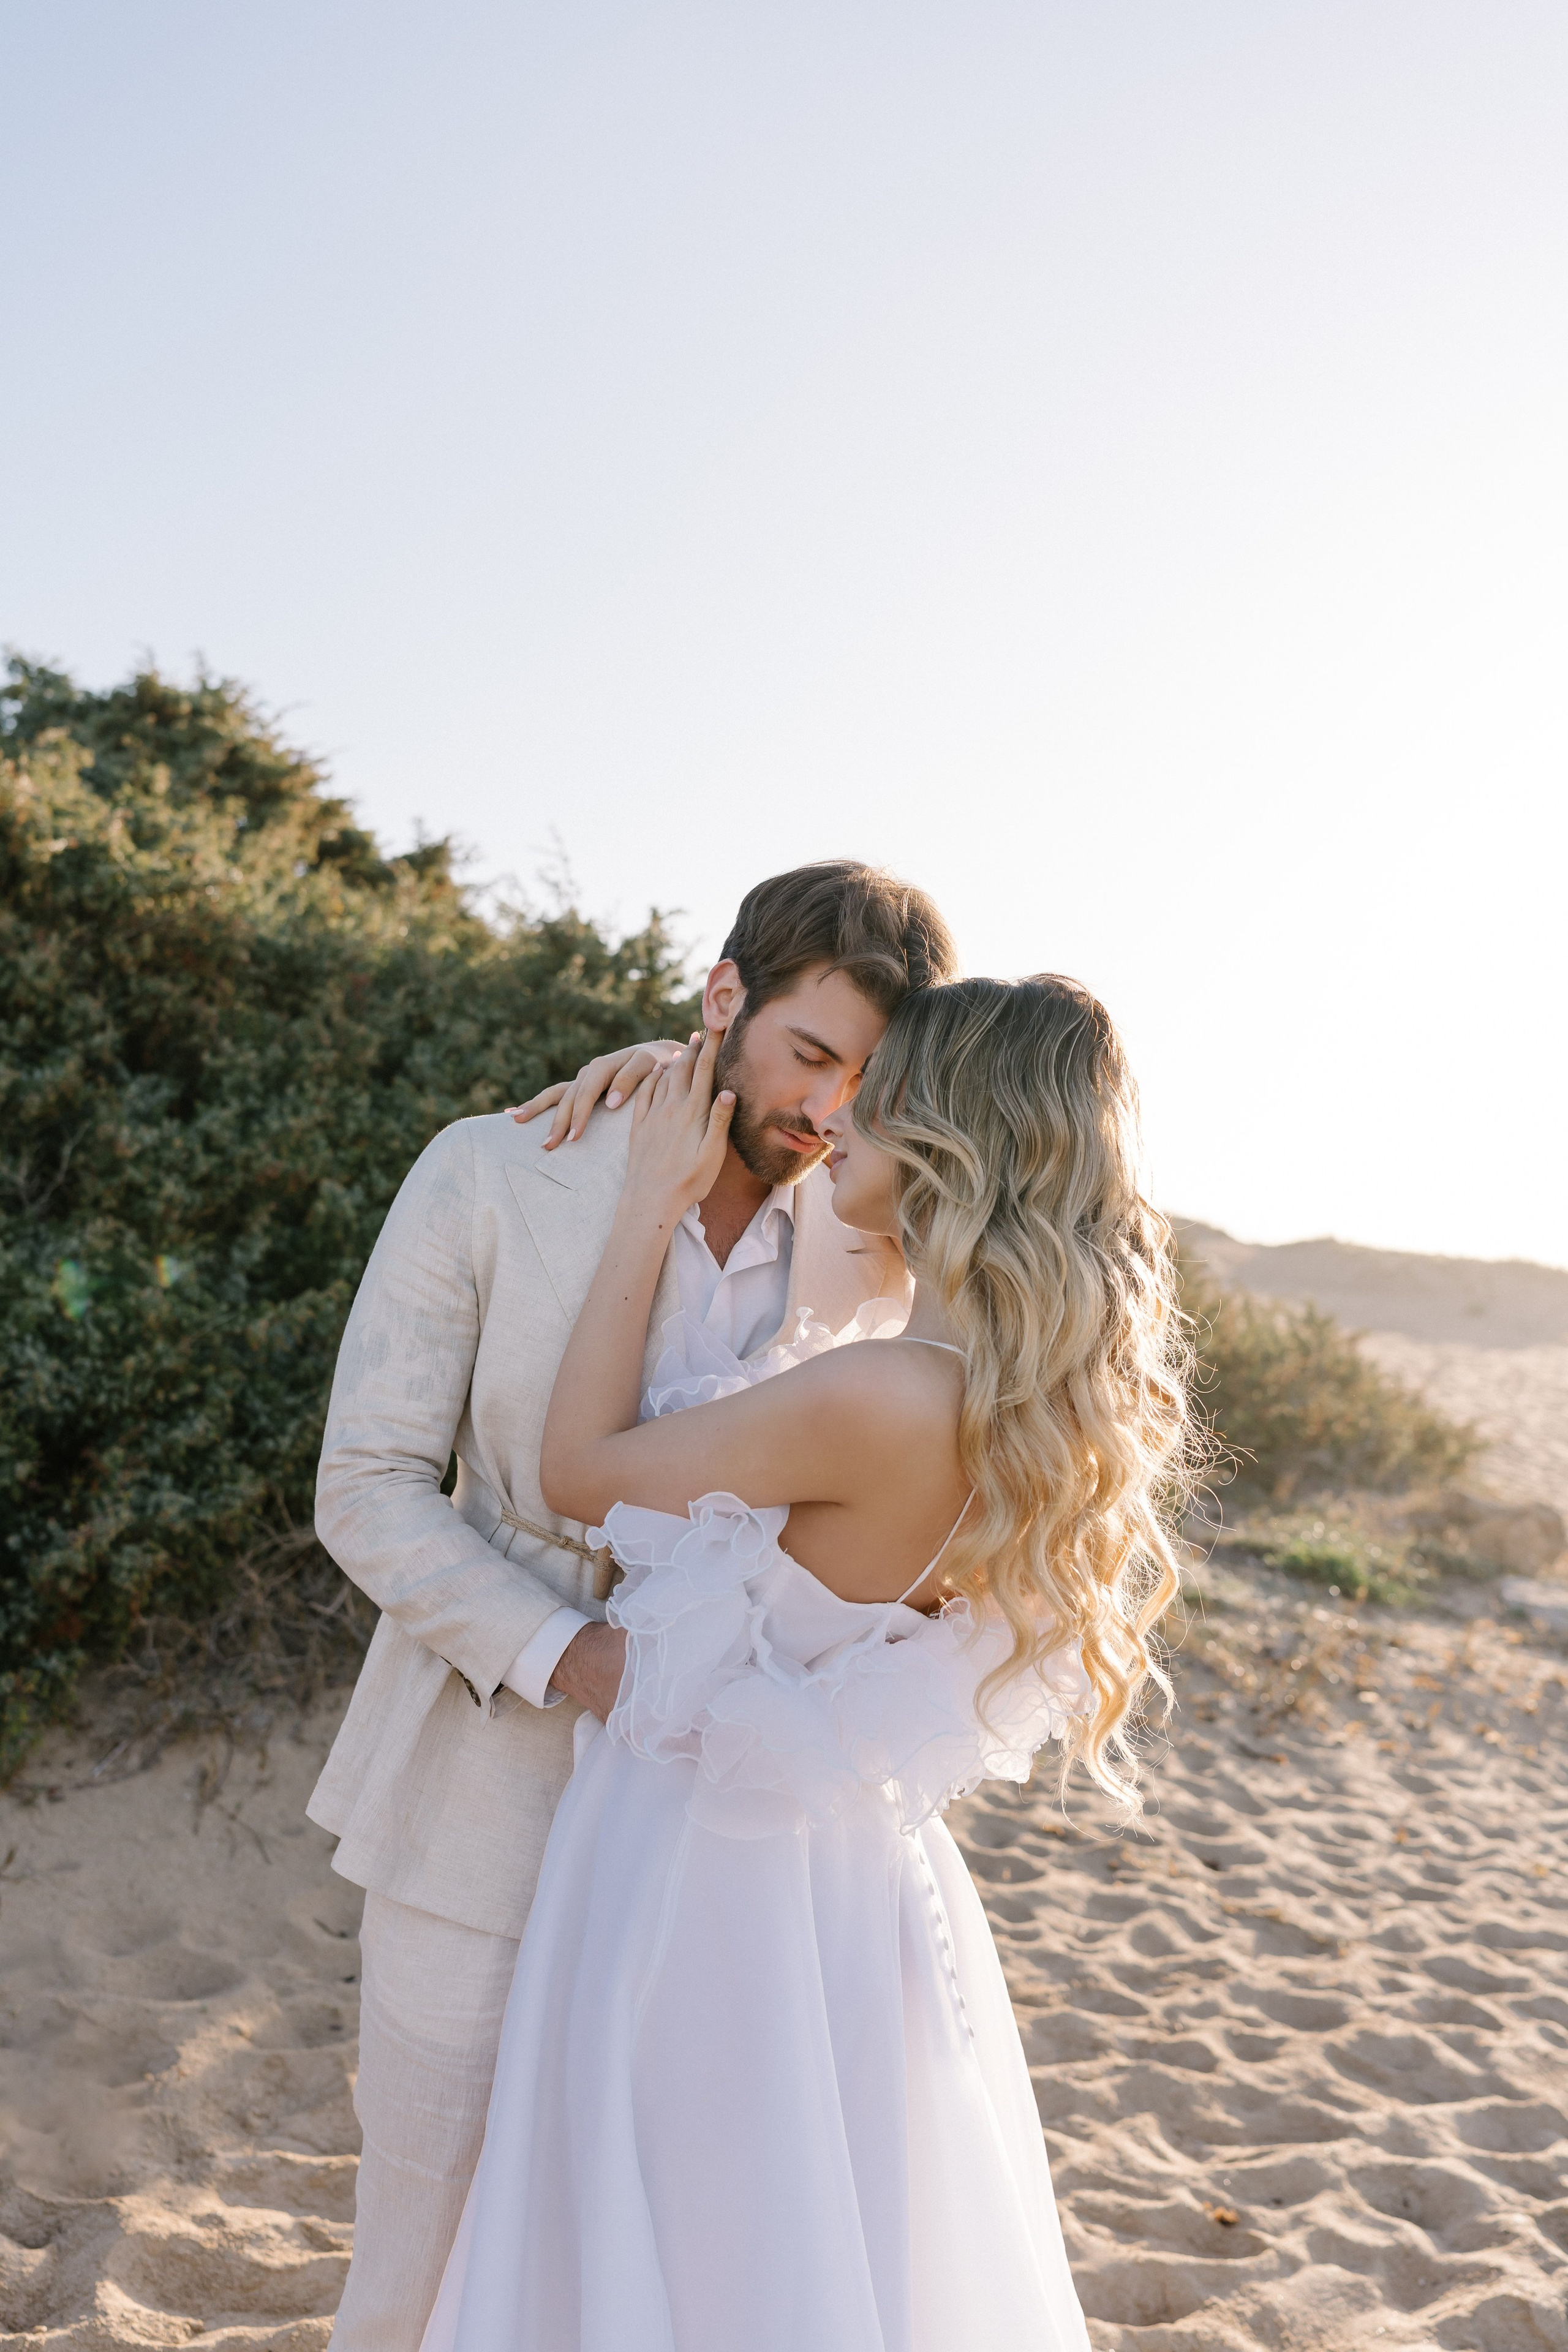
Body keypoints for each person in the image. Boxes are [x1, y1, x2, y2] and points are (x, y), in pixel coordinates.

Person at [420, 976, 1194, 2352]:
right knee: (815, 2242)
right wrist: (690, 1074)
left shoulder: (875, 1400)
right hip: (851, 1887)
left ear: (950, 1151)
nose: (834, 1124)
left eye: (874, 1111)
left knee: (671, 2237)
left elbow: (575, 1470)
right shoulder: (1028, 1409)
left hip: (698, 1870)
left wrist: (645, 1207)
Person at [307, 861, 959, 2351]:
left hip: (724, 1844)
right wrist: (573, 1656)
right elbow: (367, 1486)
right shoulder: (497, 1166)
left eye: (868, 1077)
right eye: (808, 1056)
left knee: (669, 2255)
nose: (829, 1108)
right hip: (485, 1794)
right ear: (722, 999)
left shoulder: (877, 1241)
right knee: (423, 2240)